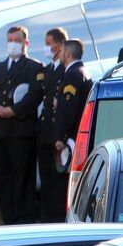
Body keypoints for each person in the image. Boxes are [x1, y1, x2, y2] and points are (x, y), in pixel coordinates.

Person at [0, 26, 43, 225]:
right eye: (10, 39)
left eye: (17, 39)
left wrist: (12, 111)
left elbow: (35, 95)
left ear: (25, 43)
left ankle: (24, 221)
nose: (13, 43)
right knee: (2, 180)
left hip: (20, 133)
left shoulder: (33, 67)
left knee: (22, 180)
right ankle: (7, 219)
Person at [53, 40, 94, 191]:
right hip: (80, 133)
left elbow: (68, 109)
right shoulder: (82, 70)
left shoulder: (72, 74)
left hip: (72, 137)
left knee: (73, 183)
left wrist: (61, 137)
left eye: (62, 52)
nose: (60, 55)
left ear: (68, 54)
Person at [37, 28, 68, 222]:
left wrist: (61, 136)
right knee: (46, 178)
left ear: (60, 45)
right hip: (44, 132)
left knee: (59, 181)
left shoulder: (67, 69)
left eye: (49, 43)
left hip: (58, 133)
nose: (47, 47)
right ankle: (48, 217)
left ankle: (58, 218)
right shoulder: (47, 70)